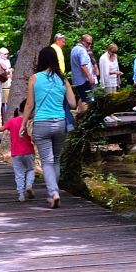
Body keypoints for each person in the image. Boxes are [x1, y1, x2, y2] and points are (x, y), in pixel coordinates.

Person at [22, 43, 80, 209]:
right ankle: (54, 192)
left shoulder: (35, 78)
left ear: (41, 60)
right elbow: (73, 103)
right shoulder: (63, 79)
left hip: (41, 123)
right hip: (60, 123)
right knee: (56, 160)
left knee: (46, 161)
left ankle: (53, 193)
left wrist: (24, 123)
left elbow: (29, 105)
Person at [4, 111, 36, 202]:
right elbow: (34, 138)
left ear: (18, 110)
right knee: (30, 169)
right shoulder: (29, 121)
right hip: (29, 151)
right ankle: (29, 185)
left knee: (19, 174)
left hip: (16, 153)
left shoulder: (11, 121)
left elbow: (0, 129)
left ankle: (21, 195)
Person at [69, 33, 97, 99]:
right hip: (84, 80)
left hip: (77, 80)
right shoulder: (82, 50)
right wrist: (90, 77)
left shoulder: (74, 49)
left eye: (91, 43)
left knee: (82, 99)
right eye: (88, 43)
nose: (89, 45)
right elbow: (83, 66)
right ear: (82, 41)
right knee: (88, 101)